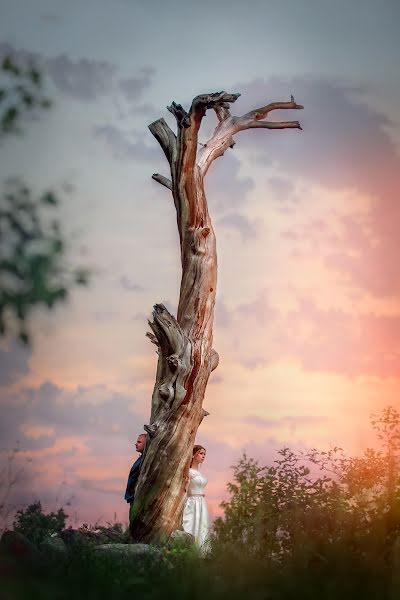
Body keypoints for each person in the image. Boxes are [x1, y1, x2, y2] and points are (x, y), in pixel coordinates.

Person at [182, 444, 210, 553]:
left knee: (202, 527)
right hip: (192, 502)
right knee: (191, 525)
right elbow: (184, 488)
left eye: (204, 454)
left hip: (201, 503)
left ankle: (201, 552)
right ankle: (189, 551)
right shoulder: (188, 472)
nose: (203, 456)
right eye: (201, 453)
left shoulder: (199, 473)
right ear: (193, 455)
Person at [124, 433, 146, 505]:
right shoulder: (141, 458)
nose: (136, 444)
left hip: (139, 499)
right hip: (133, 498)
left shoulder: (147, 459)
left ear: (147, 444)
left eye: (139, 442)